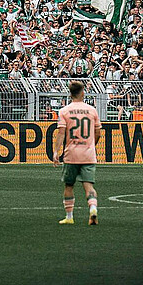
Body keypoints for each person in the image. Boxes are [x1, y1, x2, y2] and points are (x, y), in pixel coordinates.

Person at [52, 80, 101, 226]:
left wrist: (56, 152)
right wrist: (91, 145)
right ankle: (92, 208)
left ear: (70, 94)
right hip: (88, 154)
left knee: (69, 186)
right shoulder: (92, 110)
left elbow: (61, 133)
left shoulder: (64, 111)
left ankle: (69, 216)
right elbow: (98, 132)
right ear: (83, 93)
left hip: (71, 154)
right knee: (89, 186)